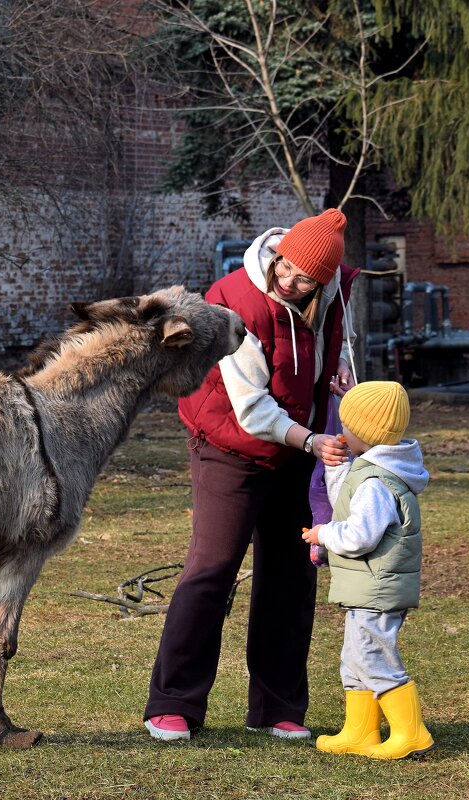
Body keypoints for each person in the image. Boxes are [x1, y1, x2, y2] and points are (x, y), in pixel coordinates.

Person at [143, 208, 359, 742]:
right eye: (284, 267)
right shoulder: (233, 301)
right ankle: (173, 703)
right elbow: (252, 410)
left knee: (291, 574)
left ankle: (277, 707)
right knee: (212, 569)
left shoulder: (331, 299)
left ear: (323, 282)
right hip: (229, 445)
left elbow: (332, 357)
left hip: (298, 449)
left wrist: (340, 384)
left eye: (302, 277)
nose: (286, 280)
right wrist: (310, 438)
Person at [300, 381, 435, 759]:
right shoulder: (373, 469)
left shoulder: (377, 482)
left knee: (373, 656)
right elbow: (346, 494)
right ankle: (360, 731)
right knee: (354, 658)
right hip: (369, 587)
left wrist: (324, 534)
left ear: (366, 434)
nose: (342, 433)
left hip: (377, 589)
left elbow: (360, 536)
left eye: (347, 427)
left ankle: (411, 732)